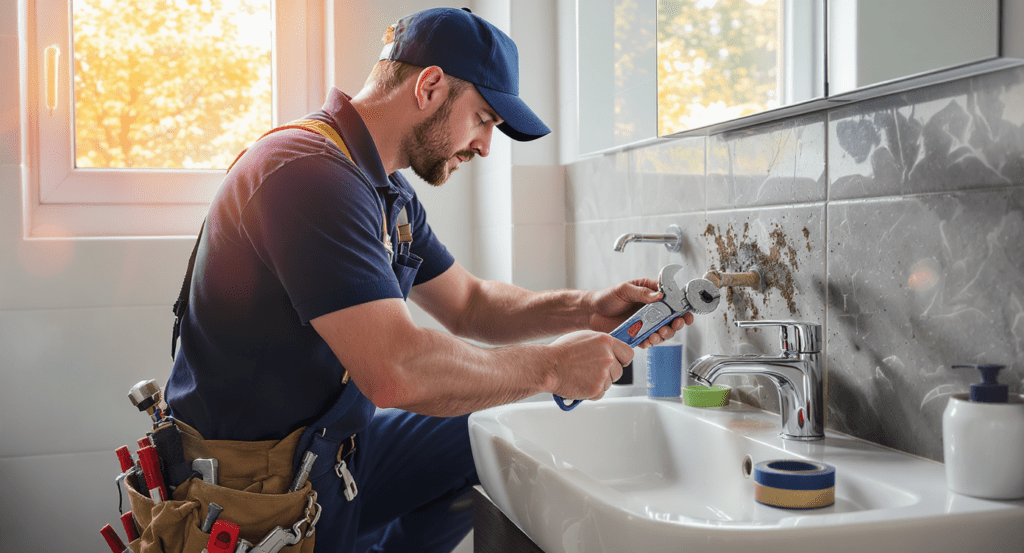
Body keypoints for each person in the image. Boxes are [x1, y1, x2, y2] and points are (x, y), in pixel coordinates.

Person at [165, 6, 692, 552]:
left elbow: (470, 304)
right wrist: (554, 366)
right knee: (476, 406)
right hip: (258, 487)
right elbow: (396, 372)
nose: (487, 146)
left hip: (332, 454)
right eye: (484, 119)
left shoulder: (383, 189)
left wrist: (586, 309)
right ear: (431, 87)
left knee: (481, 435)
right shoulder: (307, 173)